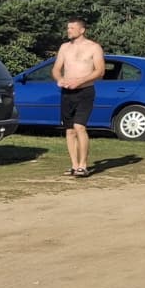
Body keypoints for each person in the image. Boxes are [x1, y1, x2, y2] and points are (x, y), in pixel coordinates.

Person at [52, 18, 105, 178]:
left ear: (82, 30)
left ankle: (83, 165)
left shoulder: (94, 47)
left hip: (85, 91)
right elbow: (56, 69)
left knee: (79, 127)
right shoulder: (64, 47)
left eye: (72, 28)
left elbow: (100, 71)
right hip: (67, 93)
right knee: (69, 130)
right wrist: (59, 79)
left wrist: (79, 81)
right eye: (68, 28)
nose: (68, 31)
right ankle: (74, 166)